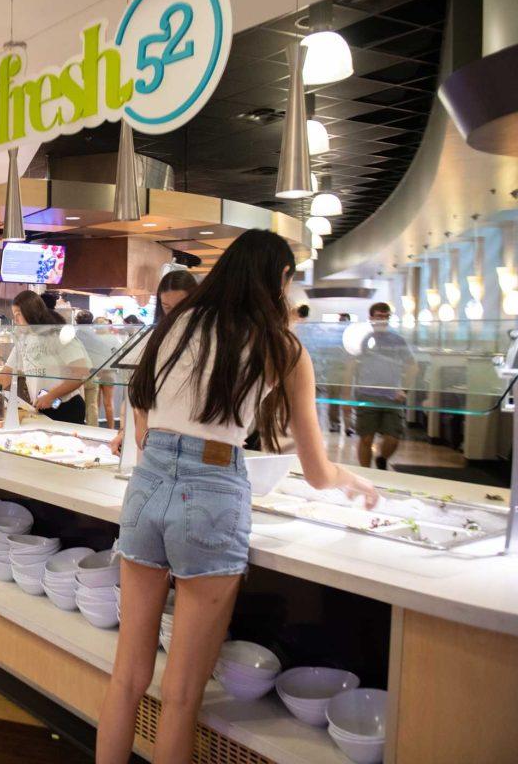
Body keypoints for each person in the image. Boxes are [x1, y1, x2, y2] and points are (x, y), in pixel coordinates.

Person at [96, 230, 377, 764]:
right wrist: (352, 480)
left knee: (127, 677)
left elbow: (145, 410)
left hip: (147, 482)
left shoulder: (177, 325)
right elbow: (317, 472)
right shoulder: (282, 347)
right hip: (212, 491)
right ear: (280, 282)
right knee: (180, 696)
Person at [110, 271, 199, 453]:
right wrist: (125, 431)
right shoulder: (155, 337)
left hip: (192, 440)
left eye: (181, 306)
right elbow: (138, 387)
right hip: (155, 440)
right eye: (166, 306)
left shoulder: (207, 339)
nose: (174, 314)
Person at [0, 290, 89, 423]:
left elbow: (81, 373)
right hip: (41, 408)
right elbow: (6, 375)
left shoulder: (58, 334)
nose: (15, 320)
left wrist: (51, 396)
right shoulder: (22, 340)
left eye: (18, 314)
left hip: (66, 406)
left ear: (30, 312)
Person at [354, 302, 416, 470]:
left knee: (393, 437)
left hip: (392, 396)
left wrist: (404, 390)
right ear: (371, 318)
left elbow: (412, 365)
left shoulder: (397, 340)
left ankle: (382, 458)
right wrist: (347, 394)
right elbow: (351, 365)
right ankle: (365, 473)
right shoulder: (362, 339)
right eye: (378, 316)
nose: (382, 320)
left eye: (385, 317)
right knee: (366, 438)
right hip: (367, 394)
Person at [75, 310, 115, 429]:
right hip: (98, 372)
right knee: (95, 405)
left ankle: (80, 429)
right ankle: (100, 429)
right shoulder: (97, 337)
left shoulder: (75, 336)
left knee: (82, 403)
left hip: (79, 374)